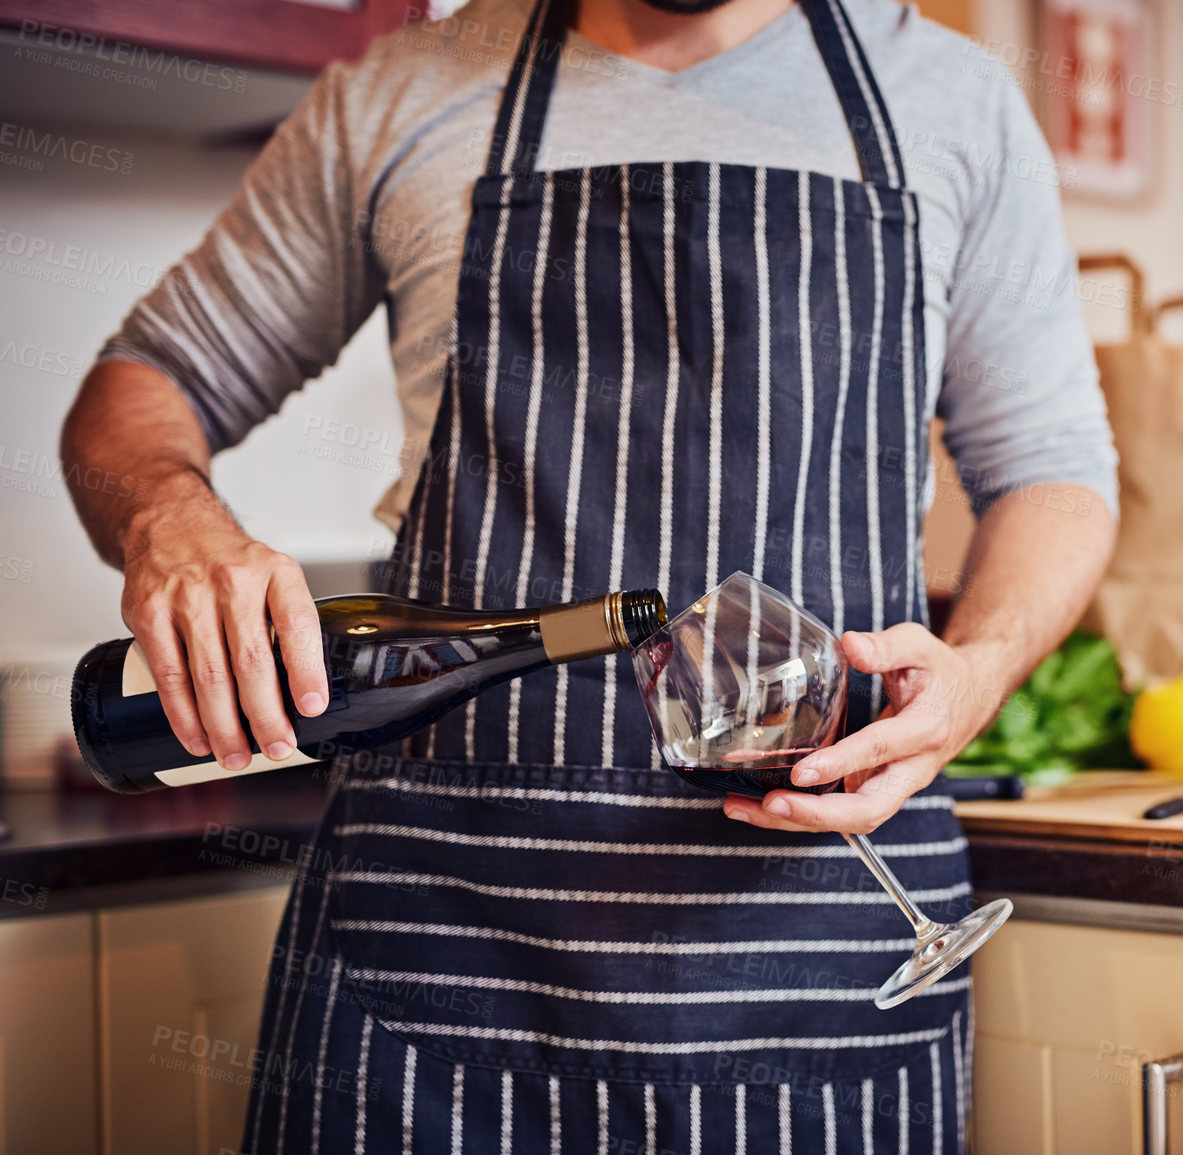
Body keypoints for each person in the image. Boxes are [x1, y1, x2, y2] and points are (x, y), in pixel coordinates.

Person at [60, 0, 1118, 1147]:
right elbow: (144, 380)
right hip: (438, 963)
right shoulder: (398, 95)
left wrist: (985, 665)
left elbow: (1054, 471)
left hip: (825, 943)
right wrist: (170, 520)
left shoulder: (952, 103)